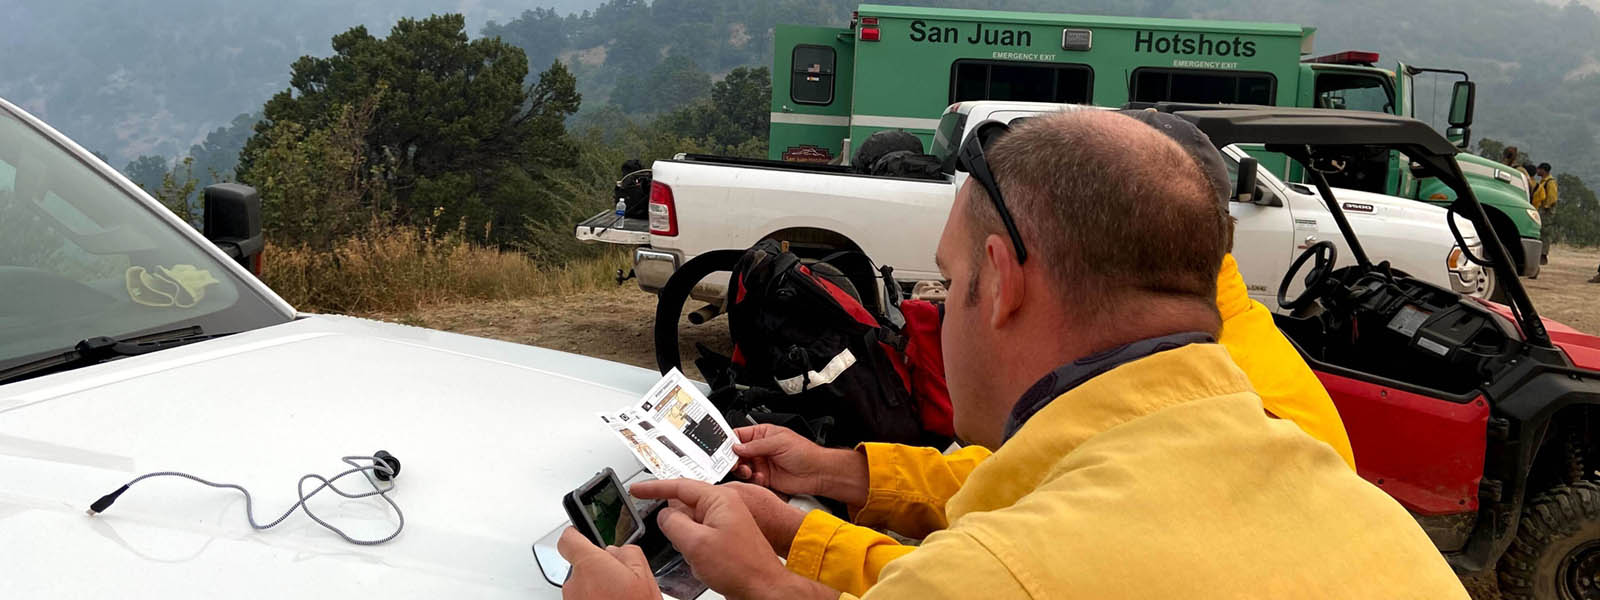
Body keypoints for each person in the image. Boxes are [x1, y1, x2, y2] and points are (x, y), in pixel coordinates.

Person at [557, 111, 1467, 599]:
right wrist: (805, 518)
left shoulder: (1009, 573)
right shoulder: (1352, 503)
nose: (936, 313)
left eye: (945, 284)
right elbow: (1031, 500)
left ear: (1004, 280)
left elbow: (1008, 565)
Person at [1531, 162, 1558, 266]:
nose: (1537, 171)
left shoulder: (1550, 182)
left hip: (1546, 212)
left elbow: (1552, 197)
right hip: (1542, 210)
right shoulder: (1543, 182)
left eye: (1539, 169)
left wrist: (1545, 206)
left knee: (1545, 233)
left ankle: (1543, 255)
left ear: (1544, 170)